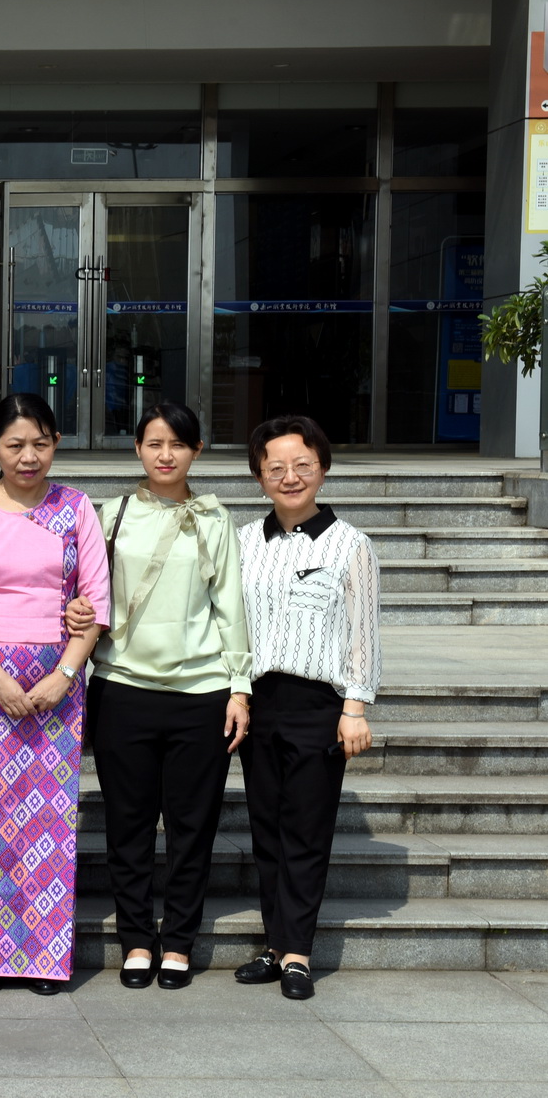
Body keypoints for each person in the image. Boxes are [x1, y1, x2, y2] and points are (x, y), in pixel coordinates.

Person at [64, 402, 252, 990]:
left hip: (201, 692)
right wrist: (76, 612)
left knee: (193, 827)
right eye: (154, 443)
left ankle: (179, 943)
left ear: (197, 451)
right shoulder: (111, 514)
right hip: (123, 688)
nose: (165, 455)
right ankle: (136, 940)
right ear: (137, 449)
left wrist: (239, 686)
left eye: (178, 444)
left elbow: (231, 606)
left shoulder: (216, 519)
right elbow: (83, 590)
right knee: (129, 826)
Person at [0, 392, 108, 996]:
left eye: (40, 443)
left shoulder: (77, 509)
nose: (28, 456)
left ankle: (43, 958)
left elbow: (97, 597)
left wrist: (65, 674)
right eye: (14, 445)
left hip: (58, 679)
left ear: (56, 443)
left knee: (50, 824)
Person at [232, 414, 381, 1001]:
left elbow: (363, 633)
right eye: (276, 468)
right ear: (259, 476)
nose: (289, 477)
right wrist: (237, 690)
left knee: (307, 828)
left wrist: (355, 707)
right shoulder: (244, 541)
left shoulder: (351, 545)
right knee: (266, 828)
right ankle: (274, 945)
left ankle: (298, 953)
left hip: (320, 704)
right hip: (258, 700)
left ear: (322, 468)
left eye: (302, 465)